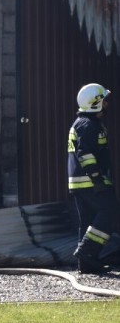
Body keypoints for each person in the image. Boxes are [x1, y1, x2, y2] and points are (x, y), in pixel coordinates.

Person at [68, 83, 118, 273]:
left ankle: (87, 265)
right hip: (90, 182)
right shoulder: (88, 125)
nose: (106, 104)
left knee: (88, 220)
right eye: (104, 101)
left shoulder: (83, 123)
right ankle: (87, 251)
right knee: (110, 211)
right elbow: (85, 154)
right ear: (95, 103)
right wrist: (97, 179)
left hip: (81, 183)